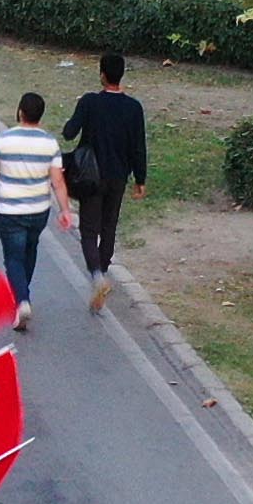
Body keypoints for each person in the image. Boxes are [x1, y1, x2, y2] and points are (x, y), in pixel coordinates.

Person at [0, 90, 71, 332]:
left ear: (20, 112)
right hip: (39, 210)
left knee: (13, 257)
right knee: (30, 250)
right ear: (40, 115)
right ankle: (23, 291)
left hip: (10, 210)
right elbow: (58, 181)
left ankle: (22, 301)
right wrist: (65, 209)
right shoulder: (50, 143)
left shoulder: (3, 139)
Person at [61, 50, 148, 310]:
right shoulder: (134, 108)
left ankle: (97, 276)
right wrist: (140, 178)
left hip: (91, 176)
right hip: (119, 176)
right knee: (109, 226)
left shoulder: (90, 102)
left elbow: (68, 133)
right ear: (121, 76)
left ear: (101, 74)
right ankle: (104, 270)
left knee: (89, 230)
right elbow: (138, 146)